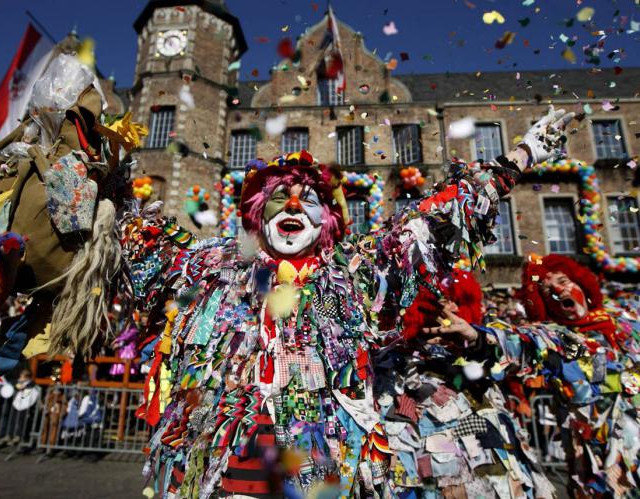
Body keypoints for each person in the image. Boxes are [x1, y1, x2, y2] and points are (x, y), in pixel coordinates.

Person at [130, 107, 573, 498]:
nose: (294, 206)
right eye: (279, 199)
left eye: (308, 200)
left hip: (318, 473)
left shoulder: (354, 270)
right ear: (258, 212)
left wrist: (523, 155)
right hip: (220, 473)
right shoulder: (211, 267)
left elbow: (438, 217)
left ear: (326, 219)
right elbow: (130, 243)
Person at [425, 254, 640, 497]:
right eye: (547, 290)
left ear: (582, 283)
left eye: (563, 280)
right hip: (602, 465)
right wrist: (477, 337)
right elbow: (519, 344)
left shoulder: (626, 321)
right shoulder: (553, 338)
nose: (558, 289)